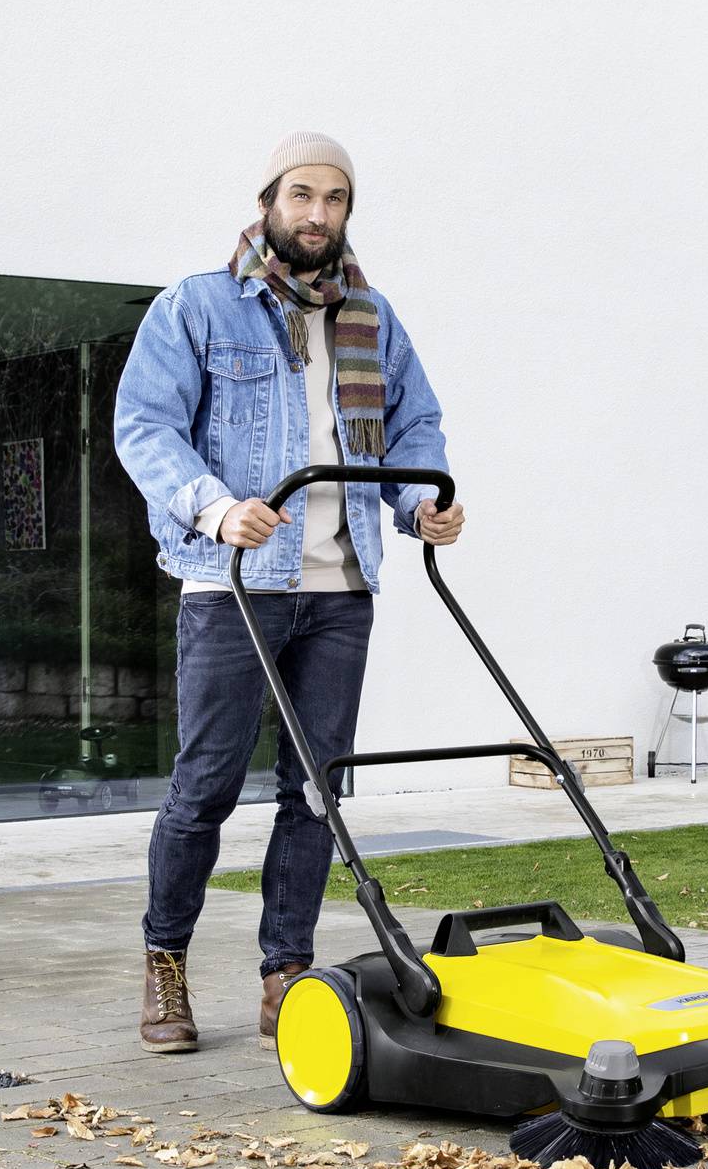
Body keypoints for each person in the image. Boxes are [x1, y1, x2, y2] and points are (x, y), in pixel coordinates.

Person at [109, 132, 462, 1054]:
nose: (316, 213)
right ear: (269, 200)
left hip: (342, 589)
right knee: (206, 784)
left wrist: (426, 501)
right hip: (232, 587)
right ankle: (165, 962)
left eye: (335, 198)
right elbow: (143, 427)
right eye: (301, 194)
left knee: (317, 789)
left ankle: (284, 971)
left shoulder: (372, 317)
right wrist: (216, 508)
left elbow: (411, 425)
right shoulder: (198, 306)